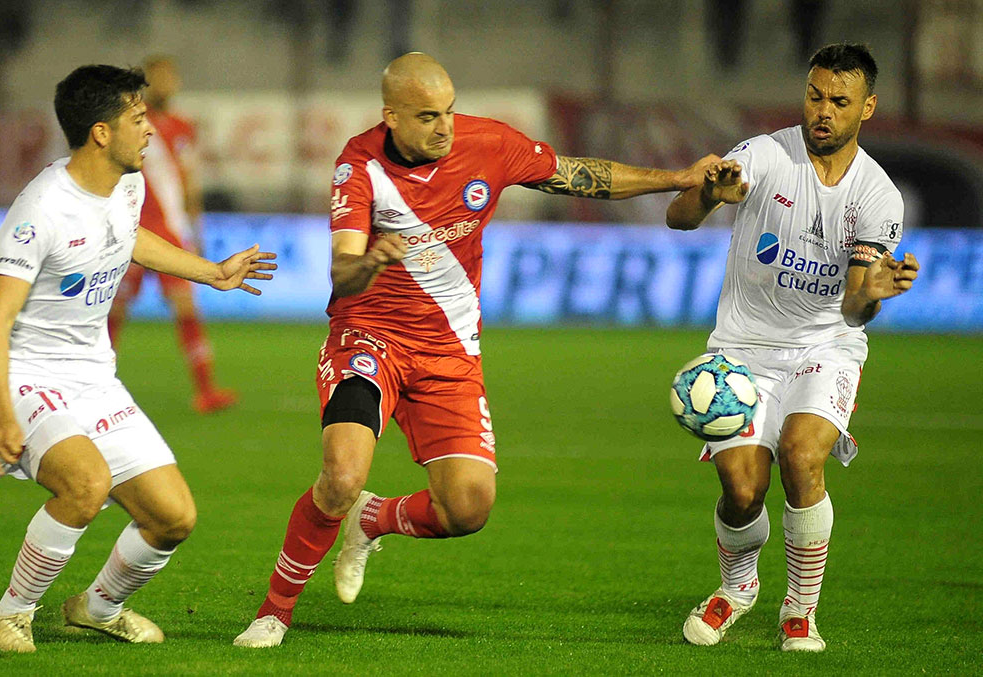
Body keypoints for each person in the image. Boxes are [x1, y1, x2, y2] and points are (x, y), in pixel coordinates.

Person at [233, 51, 716, 648]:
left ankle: (374, 518)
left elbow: (576, 174)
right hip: (370, 338)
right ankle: (274, 613)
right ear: (392, 117)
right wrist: (370, 262)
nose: (446, 128)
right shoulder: (358, 167)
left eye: (451, 112)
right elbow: (342, 272)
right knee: (340, 474)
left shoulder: (487, 144)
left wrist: (678, 179)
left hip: (449, 355)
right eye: (429, 116)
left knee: (467, 509)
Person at [0, 64, 276, 654]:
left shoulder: (127, 182)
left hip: (95, 380)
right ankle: (11, 615)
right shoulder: (42, 208)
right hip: (28, 377)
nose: (149, 130)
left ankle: (96, 607)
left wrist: (213, 272)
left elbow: (130, 236)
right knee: (84, 486)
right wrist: (3, 412)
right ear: (100, 132)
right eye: (138, 119)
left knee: (173, 517)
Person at [665, 43, 919, 652]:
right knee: (742, 487)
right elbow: (679, 216)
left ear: (868, 108)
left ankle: (800, 611)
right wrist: (707, 196)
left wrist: (877, 292)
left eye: (839, 100)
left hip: (823, 347)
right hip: (742, 348)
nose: (823, 110)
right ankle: (739, 587)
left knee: (803, 459)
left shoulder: (877, 196)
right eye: (815, 96)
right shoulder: (760, 157)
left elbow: (854, 307)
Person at [108, 55, 237, 414]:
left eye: (172, 76)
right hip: (130, 231)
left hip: (169, 231)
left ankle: (206, 389)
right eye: (161, 77)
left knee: (186, 308)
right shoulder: (131, 122)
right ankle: (94, 381)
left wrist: (195, 229)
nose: (169, 83)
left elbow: (189, 182)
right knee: (113, 311)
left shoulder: (183, 126)